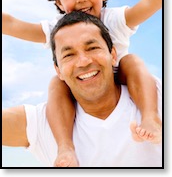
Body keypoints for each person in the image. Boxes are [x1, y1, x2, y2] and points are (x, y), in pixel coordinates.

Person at [2, 0, 162, 167]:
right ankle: (65, 146)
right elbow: (11, 24)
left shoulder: (114, 20)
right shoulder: (57, 30)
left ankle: (150, 117)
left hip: (122, 77)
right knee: (56, 84)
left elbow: (151, 1)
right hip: (78, 87)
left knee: (131, 61)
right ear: (58, 1)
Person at [2, 11, 162, 167]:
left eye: (92, 48)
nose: (83, 62)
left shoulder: (158, 97)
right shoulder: (43, 124)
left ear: (113, 55)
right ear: (58, 71)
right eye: (68, 55)